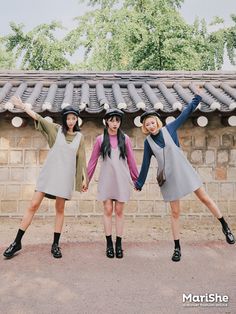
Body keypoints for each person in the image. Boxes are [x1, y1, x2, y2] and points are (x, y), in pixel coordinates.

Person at [135, 88, 235, 262]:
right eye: (147, 124)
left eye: (152, 122)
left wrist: (197, 97)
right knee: (175, 213)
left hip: (184, 171)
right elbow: (145, 164)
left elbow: (186, 112)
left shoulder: (170, 128)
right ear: (145, 127)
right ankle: (177, 248)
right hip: (168, 178)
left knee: (205, 198)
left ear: (157, 122)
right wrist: (139, 183)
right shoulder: (148, 142)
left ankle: (225, 226)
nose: (150, 126)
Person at [3, 96, 88, 259]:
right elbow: (38, 118)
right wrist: (23, 107)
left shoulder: (80, 137)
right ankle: (17, 241)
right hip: (49, 174)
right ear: (64, 119)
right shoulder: (56, 130)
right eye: (68, 118)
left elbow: (81, 159)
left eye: (73, 118)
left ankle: (55, 244)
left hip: (64, 178)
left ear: (77, 119)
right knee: (33, 205)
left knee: (60, 209)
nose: (71, 121)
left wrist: (84, 179)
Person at [87, 108, 138, 258]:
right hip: (107, 179)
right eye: (112, 120)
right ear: (106, 121)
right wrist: (87, 180)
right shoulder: (100, 140)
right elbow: (92, 161)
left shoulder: (126, 139)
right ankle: (109, 244)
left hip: (121, 179)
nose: (115, 123)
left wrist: (136, 179)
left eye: (117, 120)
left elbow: (132, 161)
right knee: (108, 210)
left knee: (120, 212)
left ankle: (119, 244)